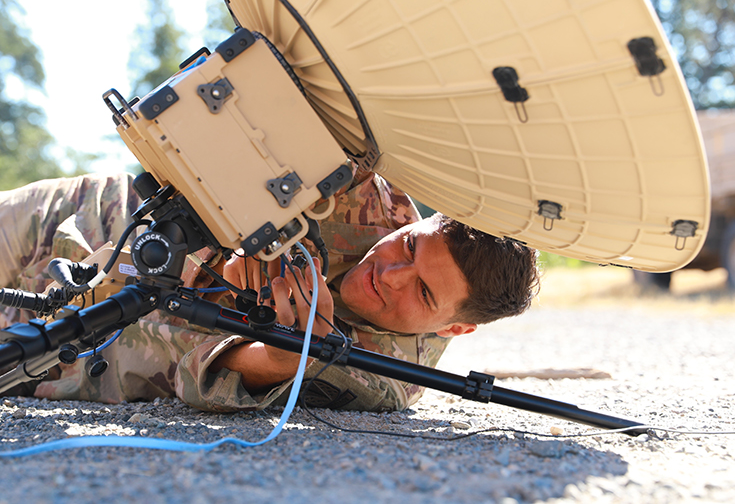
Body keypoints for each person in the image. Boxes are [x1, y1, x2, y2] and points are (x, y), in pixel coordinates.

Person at [0, 168, 539, 412]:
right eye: (410, 247)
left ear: (456, 325)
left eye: (422, 293)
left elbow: (232, 373)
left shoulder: (388, 374)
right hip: (80, 220)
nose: (390, 273)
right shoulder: (359, 182)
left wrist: (292, 350)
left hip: (61, 352)